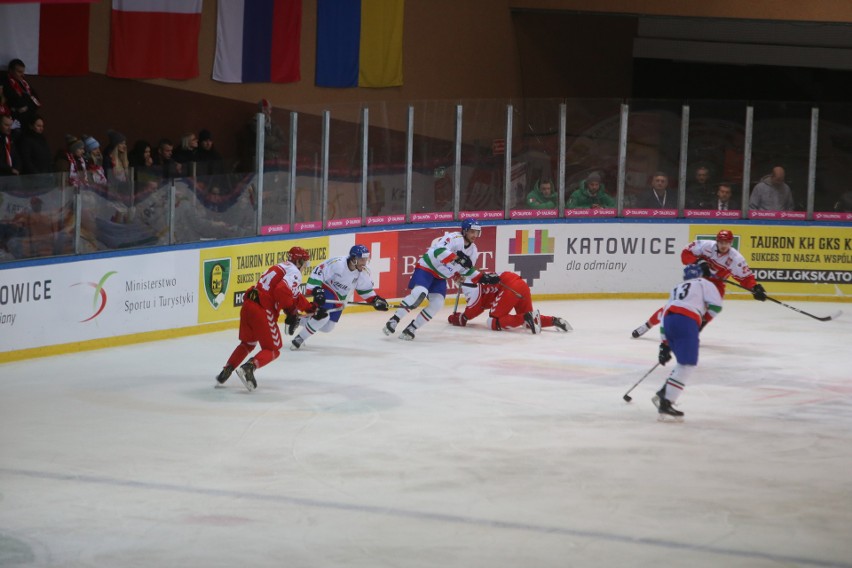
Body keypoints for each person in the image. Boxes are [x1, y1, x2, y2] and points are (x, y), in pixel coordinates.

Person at [215, 246, 319, 392]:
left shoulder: (281, 266)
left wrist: (309, 308)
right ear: (299, 261)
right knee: (273, 349)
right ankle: (249, 367)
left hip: (248, 305)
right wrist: (291, 311)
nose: (305, 267)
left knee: (248, 343)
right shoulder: (294, 272)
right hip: (262, 309)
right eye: (305, 263)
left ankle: (227, 370)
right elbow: (282, 291)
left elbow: (293, 294)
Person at [632, 229, 766, 338]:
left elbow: (746, 278)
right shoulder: (706, 246)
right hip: (699, 279)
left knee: (713, 307)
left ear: (731, 243)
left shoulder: (736, 259)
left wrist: (755, 288)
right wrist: (698, 263)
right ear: (717, 241)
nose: (724, 245)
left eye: (727, 242)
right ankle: (647, 325)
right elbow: (685, 253)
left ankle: (697, 327)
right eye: (721, 242)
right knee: (676, 304)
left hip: (716, 285)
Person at [383, 218, 500, 340]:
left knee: (437, 303)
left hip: (440, 278)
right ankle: (394, 320)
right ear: (465, 231)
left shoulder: (473, 250)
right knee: (419, 293)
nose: (474, 235)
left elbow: (466, 269)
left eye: (477, 232)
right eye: (472, 232)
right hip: (427, 268)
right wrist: (456, 258)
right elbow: (438, 251)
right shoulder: (454, 238)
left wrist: (482, 277)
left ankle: (412, 328)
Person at [653, 263, 724, 420]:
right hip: (687, 320)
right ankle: (666, 401)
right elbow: (716, 306)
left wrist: (664, 345)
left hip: (669, 320)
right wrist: (703, 322)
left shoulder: (677, 287)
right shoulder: (704, 282)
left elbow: (665, 311)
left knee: (682, 363)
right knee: (687, 364)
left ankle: (665, 391)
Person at [290, 245, 390, 350]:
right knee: (323, 317)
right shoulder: (338, 264)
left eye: (366, 259)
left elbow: (365, 290)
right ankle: (299, 339)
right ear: (353, 259)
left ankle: (298, 320)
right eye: (361, 259)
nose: (364, 262)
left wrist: (375, 300)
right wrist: (316, 290)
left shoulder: (363, 272)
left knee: (328, 327)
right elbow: (319, 271)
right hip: (327, 289)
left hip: (340, 298)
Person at [448, 270, 571, 333]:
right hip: (521, 284)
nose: (458, 281)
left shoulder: (469, 284)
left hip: (510, 286)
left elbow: (474, 310)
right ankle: (554, 320)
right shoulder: (477, 276)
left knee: (493, 322)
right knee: (530, 322)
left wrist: (458, 318)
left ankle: (526, 317)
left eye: (458, 279)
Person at [2, 59, 41, 128]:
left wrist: (25, 106)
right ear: (11, 71)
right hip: (14, 121)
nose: (23, 75)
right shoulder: (5, 82)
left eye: (23, 72)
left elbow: (37, 101)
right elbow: (16, 102)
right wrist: (27, 99)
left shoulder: (24, 84)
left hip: (28, 119)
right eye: (19, 72)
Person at [250, 99, 287, 165]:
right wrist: (275, 140)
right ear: (262, 109)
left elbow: (283, 141)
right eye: (267, 109)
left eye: (270, 109)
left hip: (275, 160)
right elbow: (263, 140)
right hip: (261, 159)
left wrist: (272, 143)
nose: (269, 112)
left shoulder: (274, 124)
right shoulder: (255, 123)